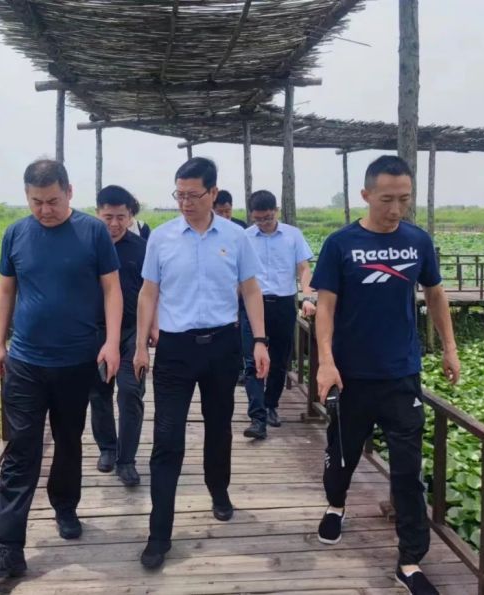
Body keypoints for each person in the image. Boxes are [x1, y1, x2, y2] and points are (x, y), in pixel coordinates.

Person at [311, 155, 460, 595]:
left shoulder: (418, 241)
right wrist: (325, 361)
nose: (396, 209)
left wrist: (449, 348)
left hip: (401, 376)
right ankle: (335, 505)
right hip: (351, 376)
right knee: (341, 457)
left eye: (404, 199)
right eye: (387, 199)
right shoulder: (340, 243)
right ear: (366, 195)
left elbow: (435, 293)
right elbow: (325, 307)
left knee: (408, 473)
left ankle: (409, 561)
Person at [0, 160, 122, 580]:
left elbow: (112, 288)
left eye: (53, 201)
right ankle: (8, 546)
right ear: (27, 197)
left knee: (68, 441)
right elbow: (6, 289)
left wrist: (112, 342)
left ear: (70, 192)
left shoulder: (93, 232)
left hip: (77, 361)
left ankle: (65, 506)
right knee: (21, 450)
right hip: (25, 362)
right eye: (36, 201)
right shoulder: (16, 233)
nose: (45, 210)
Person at [133, 157, 270, 570]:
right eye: (179, 195)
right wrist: (140, 346)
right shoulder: (161, 237)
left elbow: (250, 290)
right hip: (174, 349)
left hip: (222, 346)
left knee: (219, 426)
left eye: (193, 195)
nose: (185, 203)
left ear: (213, 193)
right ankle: (159, 533)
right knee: (167, 438)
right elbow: (148, 292)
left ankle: (219, 489)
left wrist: (259, 341)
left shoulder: (235, 236)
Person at [241, 190, 316, 440]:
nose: (263, 223)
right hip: (254, 303)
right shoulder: (245, 237)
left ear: (276, 211)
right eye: (258, 219)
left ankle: (271, 404)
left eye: (268, 218)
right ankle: (257, 416)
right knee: (252, 360)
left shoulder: (292, 235)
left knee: (280, 358)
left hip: (283, 303)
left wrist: (307, 296)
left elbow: (304, 268)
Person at [90, 185, 148, 487]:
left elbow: (154, 292)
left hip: (132, 332)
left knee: (130, 392)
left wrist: (152, 328)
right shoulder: (87, 245)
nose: (114, 224)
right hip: (95, 331)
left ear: (130, 216)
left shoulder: (142, 248)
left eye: (121, 217)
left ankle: (127, 459)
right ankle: (107, 449)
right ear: (97, 213)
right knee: (99, 392)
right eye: (108, 217)